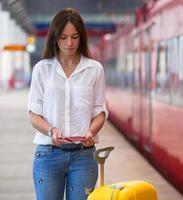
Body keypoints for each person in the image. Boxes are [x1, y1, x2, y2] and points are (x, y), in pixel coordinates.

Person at [28, 8, 108, 200]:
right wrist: (51, 131)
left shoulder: (94, 69)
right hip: (48, 155)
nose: (69, 43)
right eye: (63, 37)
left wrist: (92, 131)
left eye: (74, 36)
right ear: (55, 38)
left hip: (84, 156)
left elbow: (100, 111)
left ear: (81, 37)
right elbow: (34, 114)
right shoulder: (42, 69)